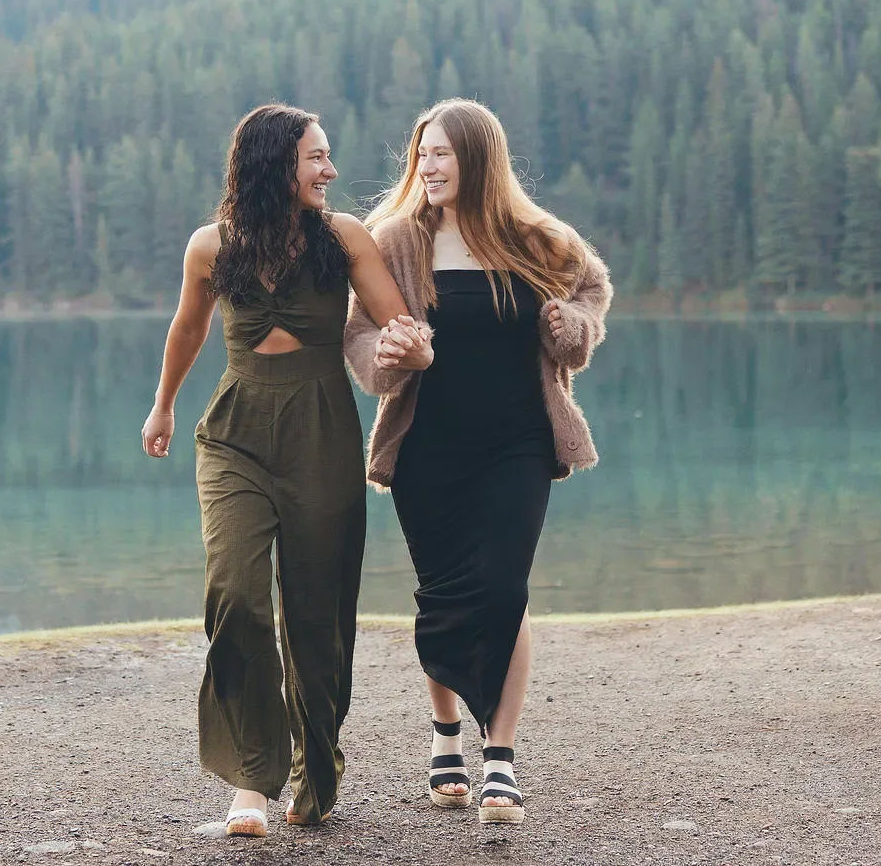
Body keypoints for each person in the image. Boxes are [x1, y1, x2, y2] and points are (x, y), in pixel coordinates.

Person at [143, 103, 429, 837]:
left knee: (317, 614)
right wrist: (164, 406)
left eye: (329, 157)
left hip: (321, 428)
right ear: (276, 162)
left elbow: (400, 325)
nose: (331, 170)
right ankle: (251, 779)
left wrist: (412, 349)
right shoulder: (211, 246)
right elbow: (188, 327)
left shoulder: (343, 238)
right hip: (234, 429)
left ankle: (315, 769)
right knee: (235, 593)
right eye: (317, 158)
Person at [343, 98, 611, 827]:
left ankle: (501, 756)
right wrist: (391, 356)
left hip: (519, 441)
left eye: (443, 154)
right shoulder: (394, 238)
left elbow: (592, 289)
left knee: (503, 587)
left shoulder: (536, 237)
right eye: (421, 154)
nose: (427, 166)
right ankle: (445, 733)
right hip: (428, 445)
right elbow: (362, 333)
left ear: (479, 161)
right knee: (444, 592)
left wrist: (572, 325)